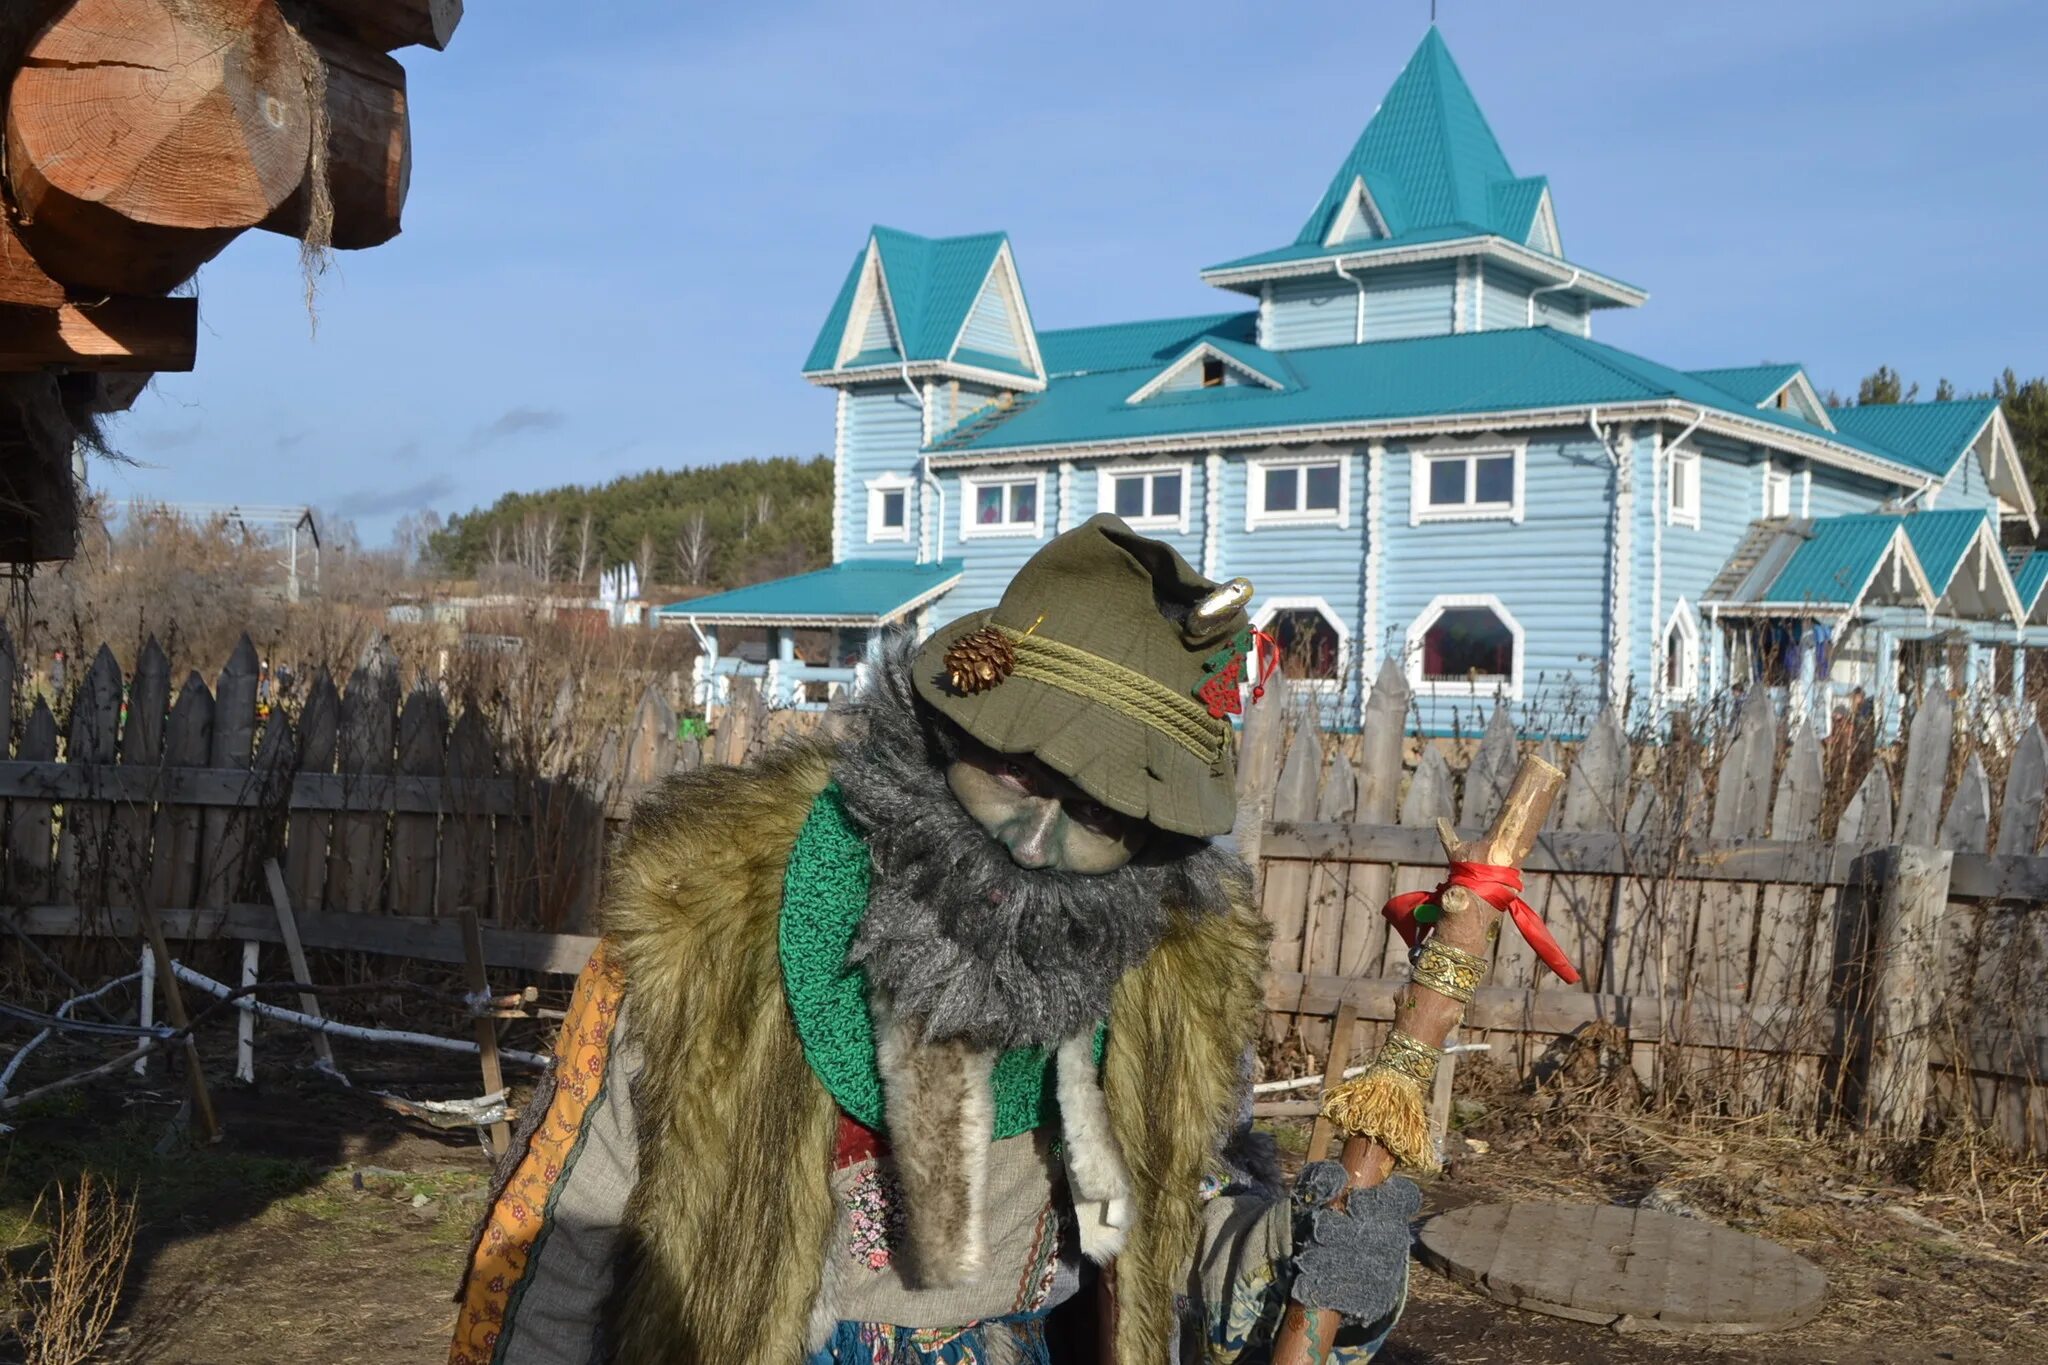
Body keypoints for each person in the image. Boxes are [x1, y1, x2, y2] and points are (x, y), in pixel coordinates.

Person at [449, 516, 1414, 1364]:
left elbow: (1168, 1232)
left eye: (1093, 810)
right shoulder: (712, 918)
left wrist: (1298, 1252)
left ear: (1153, 839)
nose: (1033, 843)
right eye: (1018, 774)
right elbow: (563, 1234)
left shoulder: (1166, 976)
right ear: (948, 729)